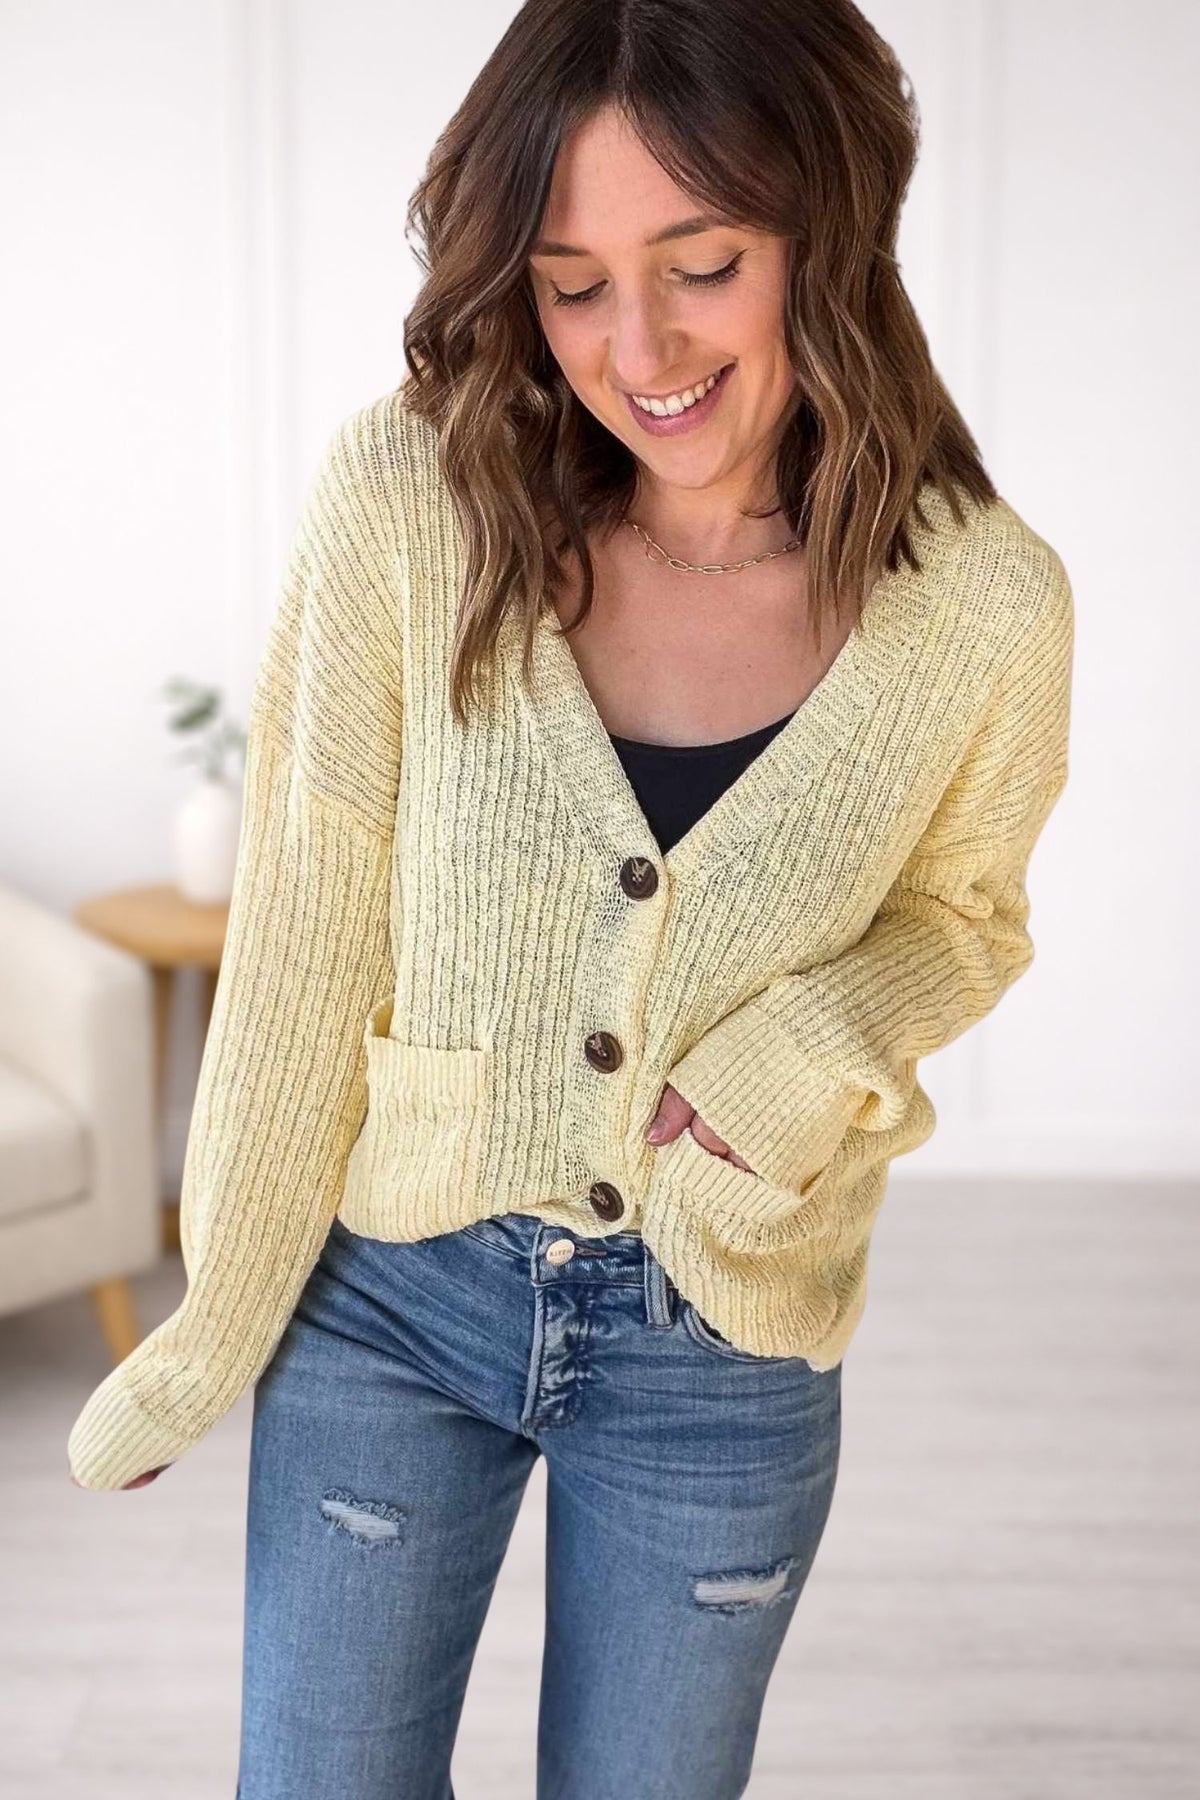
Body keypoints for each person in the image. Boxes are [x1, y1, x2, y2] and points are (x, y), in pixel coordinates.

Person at [67, 1, 1075, 1795]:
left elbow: (965, 914)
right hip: (394, 1298)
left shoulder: (985, 604)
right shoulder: (411, 501)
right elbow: (306, 931)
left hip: (725, 1330)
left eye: (705, 265)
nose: (641, 349)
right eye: (571, 284)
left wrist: (795, 1054)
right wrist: (212, 1326)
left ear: (830, 227)